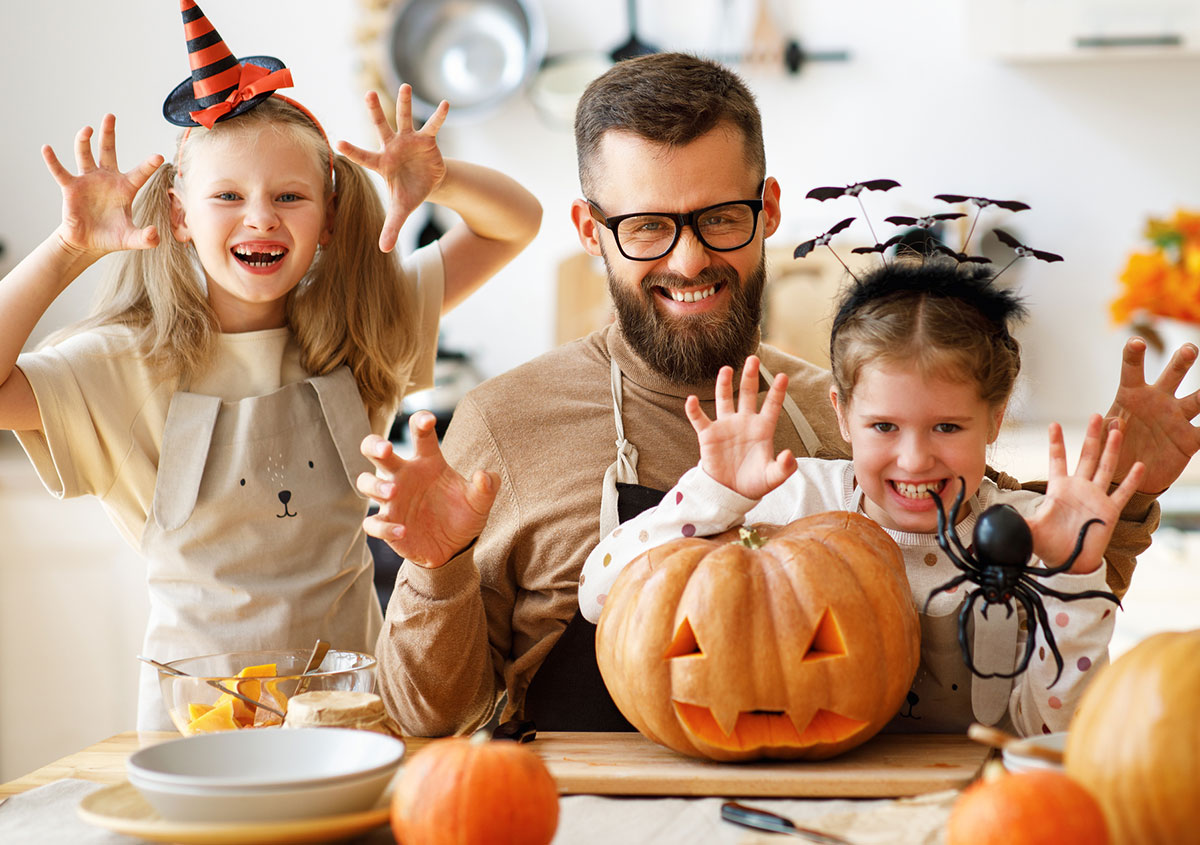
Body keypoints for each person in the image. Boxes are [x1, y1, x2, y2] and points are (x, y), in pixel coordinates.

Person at [361, 52, 1198, 737]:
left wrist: (1127, 498)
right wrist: (437, 569)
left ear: (766, 210)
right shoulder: (505, 422)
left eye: (719, 216)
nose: (688, 260)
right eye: (648, 225)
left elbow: (1040, 625)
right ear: (591, 233)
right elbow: (434, 720)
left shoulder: (854, 421)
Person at [0, 2, 539, 730]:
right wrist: (68, 248)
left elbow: (516, 223)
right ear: (181, 216)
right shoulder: (126, 364)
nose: (261, 217)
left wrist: (435, 181)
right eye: (228, 196)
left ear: (327, 220)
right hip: (196, 726)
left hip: (353, 717)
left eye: (290, 196)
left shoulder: (364, 330)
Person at [579, 260, 1145, 735]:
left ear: (994, 420)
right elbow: (600, 597)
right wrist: (712, 494)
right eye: (884, 427)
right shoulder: (794, 500)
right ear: (842, 415)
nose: (915, 458)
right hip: (818, 785)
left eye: (948, 427)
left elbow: (1054, 731)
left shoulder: (1033, 536)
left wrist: (1075, 577)